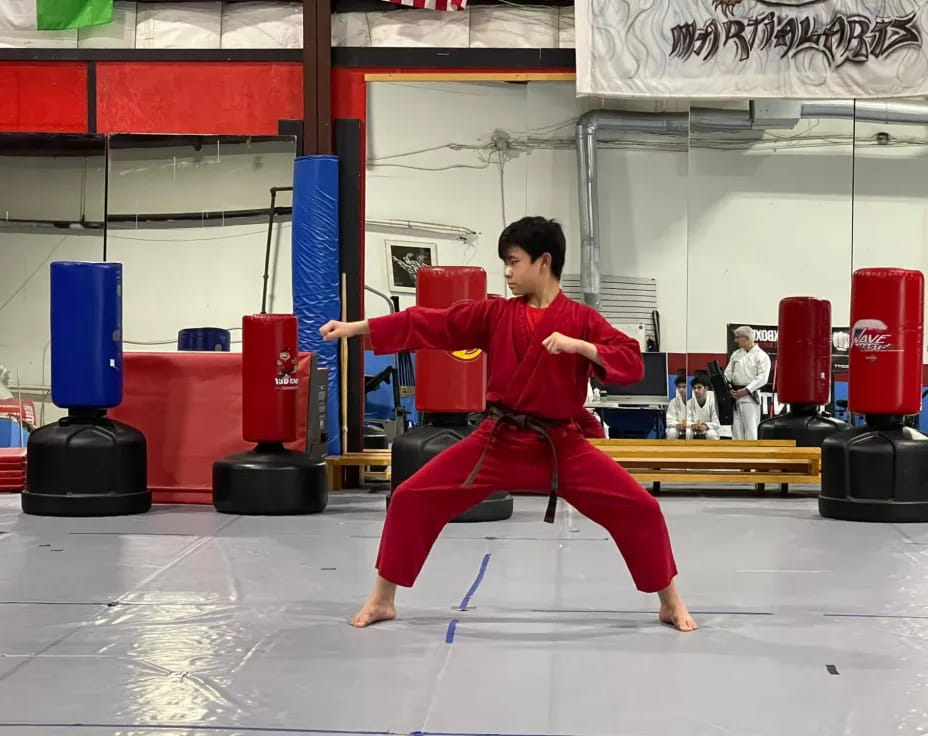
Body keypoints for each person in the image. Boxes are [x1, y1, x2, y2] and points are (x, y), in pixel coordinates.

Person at [320, 216, 697, 632]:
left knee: (640, 508)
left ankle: (669, 602)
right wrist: (360, 328)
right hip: (495, 442)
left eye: (514, 262)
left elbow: (628, 360)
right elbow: (431, 323)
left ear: (543, 261)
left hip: (560, 447)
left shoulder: (582, 320)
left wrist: (580, 347)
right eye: (505, 263)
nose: (507, 272)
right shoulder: (496, 314)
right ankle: (382, 600)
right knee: (411, 497)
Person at [724, 326, 771, 440]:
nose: (735, 340)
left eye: (737, 338)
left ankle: (752, 456)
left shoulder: (761, 356)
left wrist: (746, 390)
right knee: (736, 430)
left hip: (750, 396)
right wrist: (727, 386)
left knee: (751, 429)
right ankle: (736, 455)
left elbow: (762, 378)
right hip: (734, 395)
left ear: (746, 338)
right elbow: (727, 373)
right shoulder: (736, 354)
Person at [687, 374, 720, 440]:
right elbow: (687, 420)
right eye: (694, 388)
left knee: (711, 434)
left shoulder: (713, 402)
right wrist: (692, 425)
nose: (696, 390)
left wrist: (706, 426)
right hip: (694, 429)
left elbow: (716, 422)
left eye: (699, 387)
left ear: (706, 388)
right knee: (688, 432)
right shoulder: (689, 403)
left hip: (709, 429)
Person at [664, 374, 688, 440]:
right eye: (679, 387)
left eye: (684, 387)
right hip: (676, 427)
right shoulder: (673, 402)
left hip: (691, 427)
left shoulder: (694, 402)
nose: (681, 389)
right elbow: (669, 420)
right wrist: (677, 425)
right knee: (672, 432)